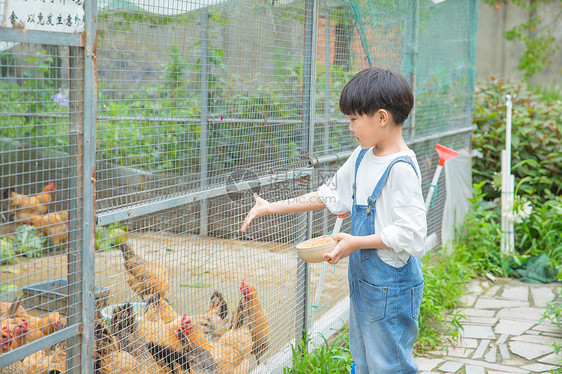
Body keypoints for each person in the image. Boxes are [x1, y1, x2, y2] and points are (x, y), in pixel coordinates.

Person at [240, 67, 426, 374]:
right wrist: (271, 207)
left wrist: (355, 242)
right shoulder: (362, 156)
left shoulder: (400, 169)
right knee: (364, 362)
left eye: (354, 119)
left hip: (391, 288)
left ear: (381, 118)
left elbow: (412, 234)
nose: (351, 128)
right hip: (365, 284)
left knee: (389, 366)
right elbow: (329, 195)